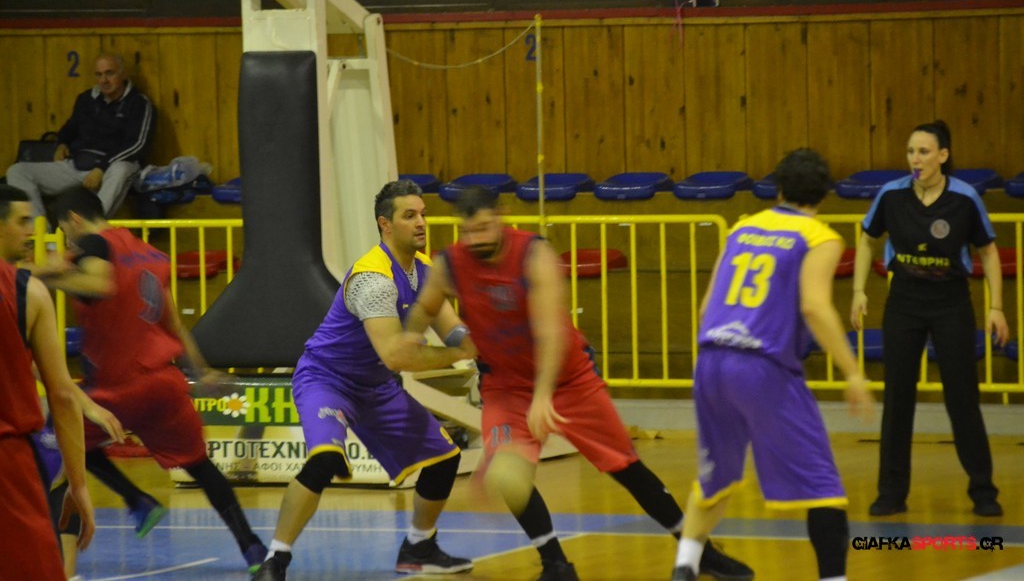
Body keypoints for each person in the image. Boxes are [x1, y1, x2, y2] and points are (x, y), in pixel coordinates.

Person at [406, 185, 755, 581]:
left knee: (626, 467)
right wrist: (409, 336)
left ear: (500, 218)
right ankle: (555, 564)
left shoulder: (533, 255)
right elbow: (426, 306)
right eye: (468, 232)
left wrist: (543, 396)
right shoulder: (450, 264)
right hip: (505, 384)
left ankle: (700, 552)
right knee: (509, 474)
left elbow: (551, 332)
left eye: (484, 229)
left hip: (568, 379)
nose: (476, 240)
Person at [253, 179, 477, 580]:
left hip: (376, 388)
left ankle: (419, 547)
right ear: (385, 225)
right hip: (328, 379)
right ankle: (275, 560)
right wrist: (461, 355)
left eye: (423, 214)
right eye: (409, 215)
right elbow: (396, 356)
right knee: (324, 461)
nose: (421, 222)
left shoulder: (424, 270)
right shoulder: (373, 279)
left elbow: (452, 328)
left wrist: (478, 342)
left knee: (445, 460)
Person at [670, 149, 875, 581]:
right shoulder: (819, 236)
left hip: (711, 360)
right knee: (823, 486)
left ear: (778, 188)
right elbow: (815, 307)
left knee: (716, 478)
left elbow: (707, 307)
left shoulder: (744, 227)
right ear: (825, 194)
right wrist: (853, 372)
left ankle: (684, 567)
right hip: (762, 367)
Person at [39, 187, 268, 573]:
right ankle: (252, 548)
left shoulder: (93, 244)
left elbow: (98, 284)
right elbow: (174, 323)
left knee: (61, 435)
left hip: (118, 385)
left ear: (74, 220)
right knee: (201, 467)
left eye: (65, 230)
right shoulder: (149, 253)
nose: (68, 239)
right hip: (164, 382)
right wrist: (201, 370)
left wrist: (39, 278)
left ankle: (134, 502)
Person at [850, 120, 1008, 518]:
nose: (915, 160)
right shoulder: (891, 195)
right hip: (904, 302)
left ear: (943, 155)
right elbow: (867, 240)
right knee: (898, 399)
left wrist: (996, 307)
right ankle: (891, 493)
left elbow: (988, 252)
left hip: (951, 304)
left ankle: (983, 491)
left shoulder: (964, 198)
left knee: (962, 398)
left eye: (923, 152)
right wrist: (858, 291)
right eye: (910, 152)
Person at [0, 184, 96, 580]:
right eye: (23, 221)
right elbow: (62, 395)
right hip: (9, 465)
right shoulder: (28, 293)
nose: (31, 232)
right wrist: (79, 485)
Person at [6, 53, 155, 222]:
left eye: (110, 73)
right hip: (77, 165)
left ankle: (88, 230)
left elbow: (137, 145)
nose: (104, 80)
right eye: (98, 74)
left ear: (122, 74)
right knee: (18, 171)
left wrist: (101, 168)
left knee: (121, 169)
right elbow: (70, 128)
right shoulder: (86, 99)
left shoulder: (139, 103)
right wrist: (61, 143)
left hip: (112, 168)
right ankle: (40, 234)